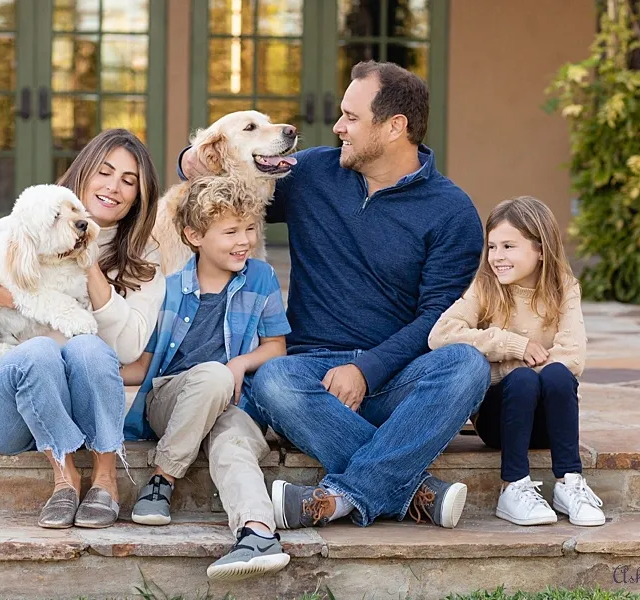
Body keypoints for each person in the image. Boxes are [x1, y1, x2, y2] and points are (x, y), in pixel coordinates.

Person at [179, 61, 489, 529]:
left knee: (467, 366)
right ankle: (412, 491)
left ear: (393, 127)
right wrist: (193, 158)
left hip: (395, 377)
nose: (337, 127)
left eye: (351, 117)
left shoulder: (451, 211)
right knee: (273, 380)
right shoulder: (310, 173)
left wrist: (366, 370)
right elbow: (220, 180)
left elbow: (437, 320)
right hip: (310, 379)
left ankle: (343, 496)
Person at [0, 128, 165, 529]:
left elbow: (128, 346)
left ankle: (105, 479)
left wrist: (89, 265)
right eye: (104, 172)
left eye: (128, 181)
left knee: (88, 347)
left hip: (74, 405)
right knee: (37, 352)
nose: (113, 187)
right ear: (83, 173)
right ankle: (64, 479)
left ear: (139, 195)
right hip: (3, 410)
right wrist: (26, 297)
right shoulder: (29, 222)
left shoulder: (144, 256)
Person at [120, 176, 292, 581]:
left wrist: (241, 363)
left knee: (233, 444)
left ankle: (257, 534)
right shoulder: (170, 287)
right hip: (171, 400)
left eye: (250, 228)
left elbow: (276, 348)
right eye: (230, 231)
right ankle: (162, 478)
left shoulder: (262, 278)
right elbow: (144, 365)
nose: (244, 240)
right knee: (213, 376)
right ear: (194, 235)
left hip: (233, 402)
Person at [428, 196, 604, 527]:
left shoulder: (564, 288)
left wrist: (530, 363)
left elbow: (573, 357)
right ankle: (513, 487)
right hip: (500, 420)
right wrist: (514, 345)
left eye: (509, 246)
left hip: (548, 422)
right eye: (492, 247)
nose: (497, 257)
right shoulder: (485, 287)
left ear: (540, 248)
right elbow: (440, 335)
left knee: (558, 376)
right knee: (523, 380)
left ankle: (570, 484)